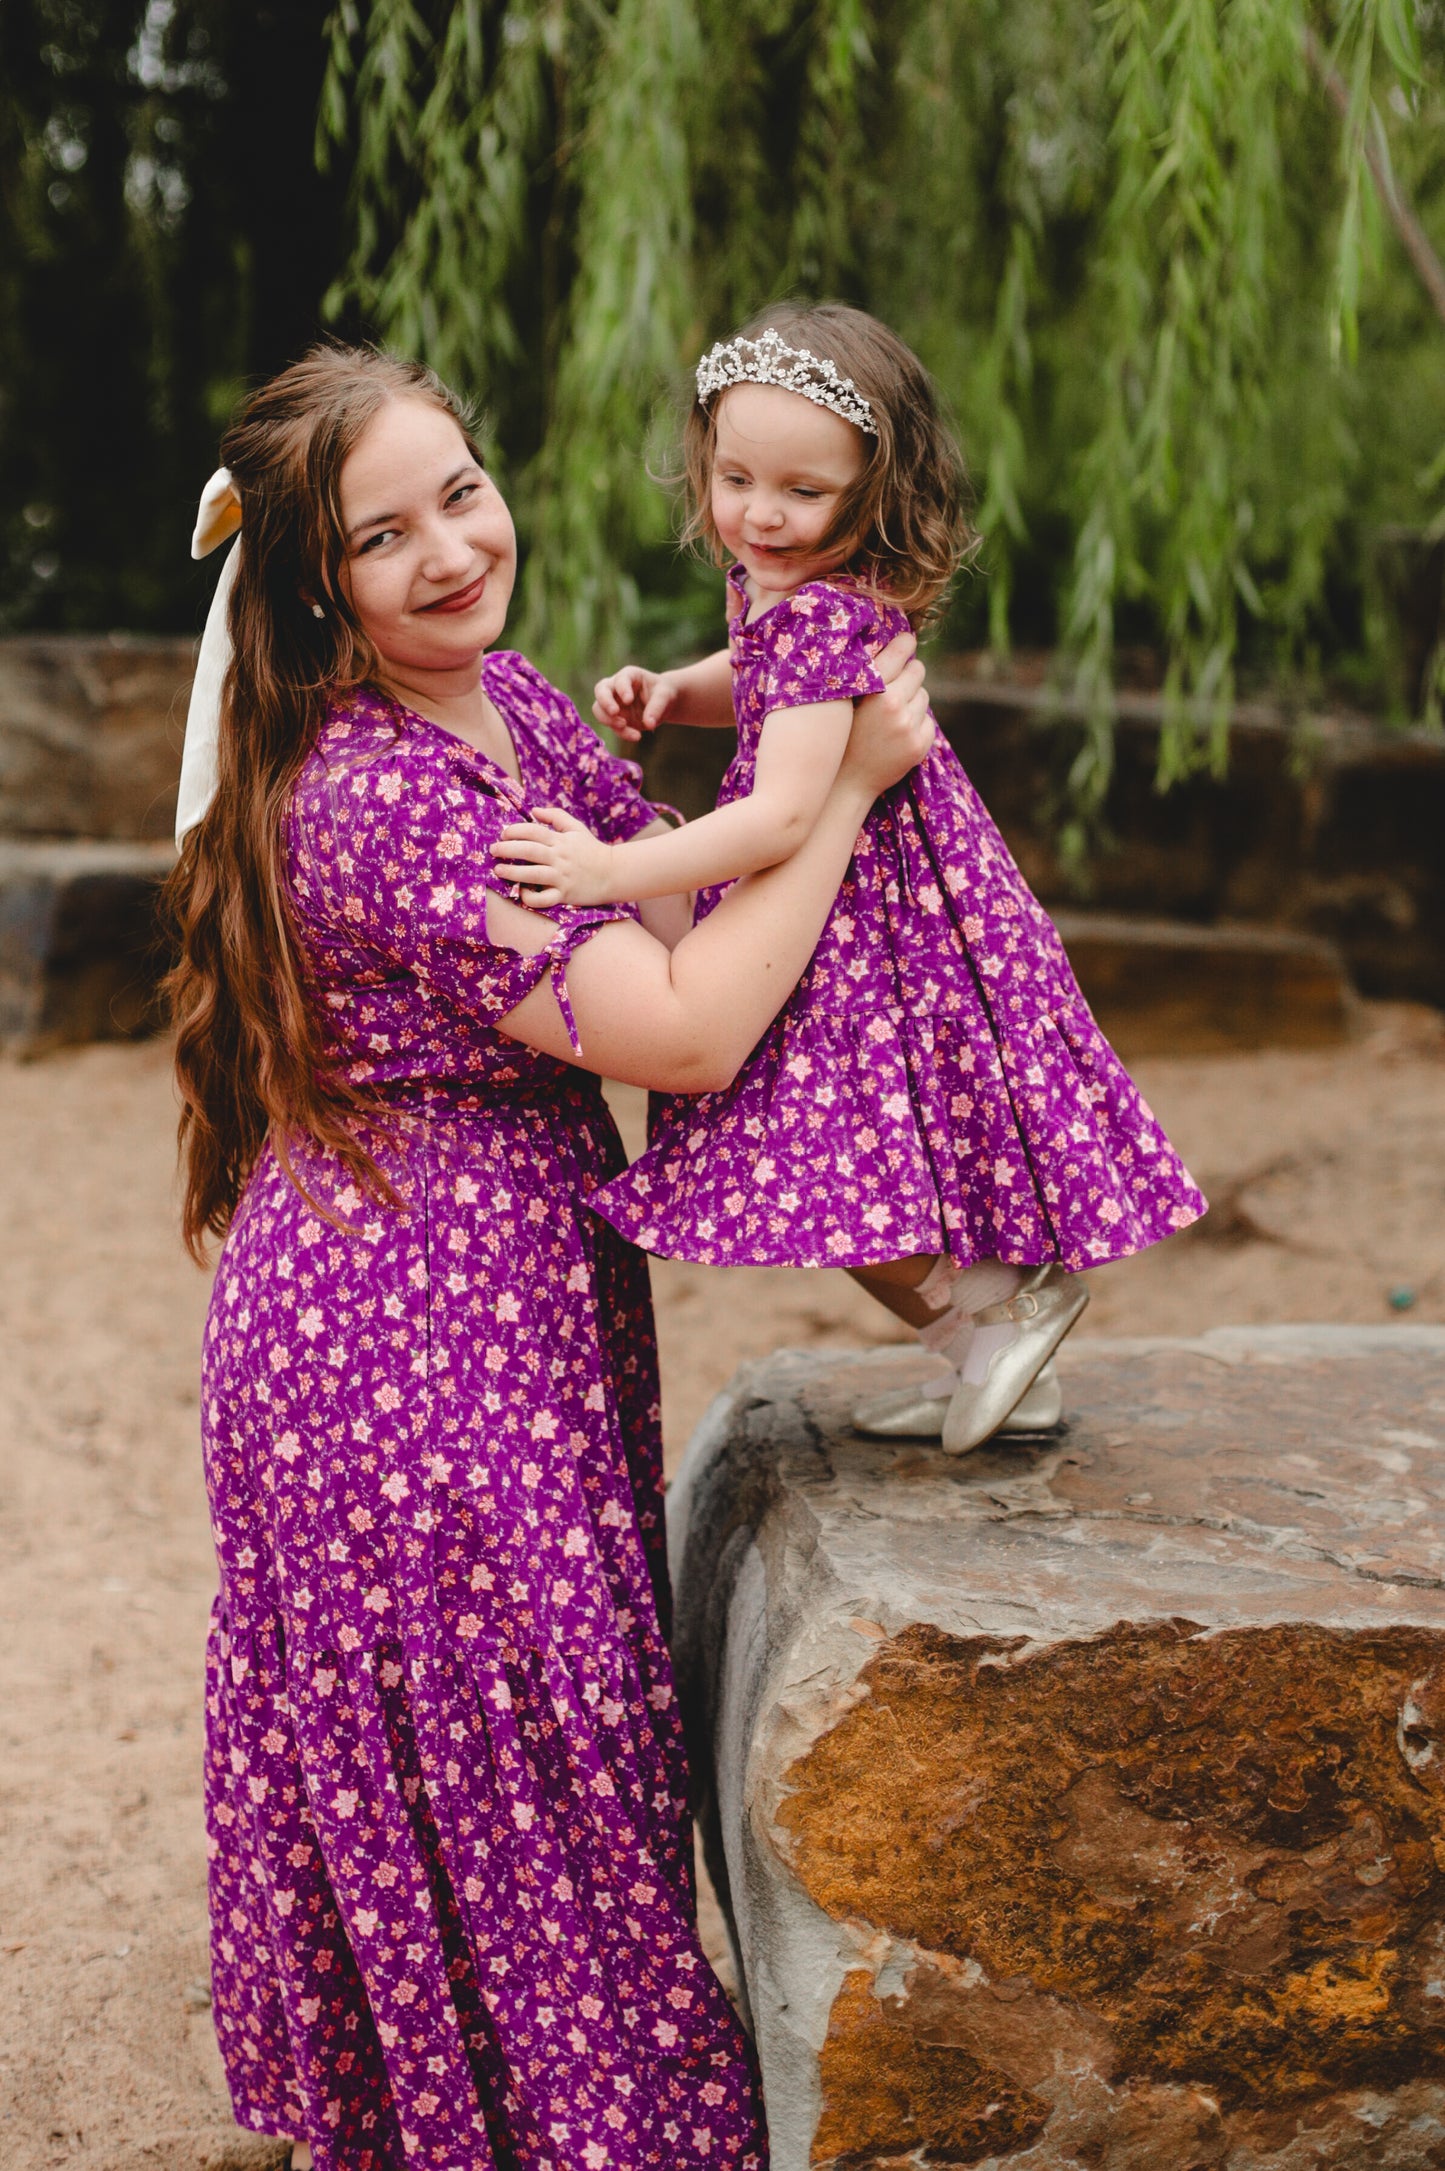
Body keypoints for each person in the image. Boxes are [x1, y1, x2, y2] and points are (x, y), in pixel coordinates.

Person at [164, 343, 932, 2171]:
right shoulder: (376, 801)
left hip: (495, 1296)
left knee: (548, 1730)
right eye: (382, 535)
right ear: (312, 591)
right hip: (398, 1339)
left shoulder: (504, 701)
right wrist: (838, 792)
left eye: (464, 490)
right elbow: (677, 1031)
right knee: (525, 1735)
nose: (449, 548)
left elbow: (672, 885)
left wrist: (792, 777)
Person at [494, 303, 1206, 1454]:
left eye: (802, 493)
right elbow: (766, 676)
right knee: (845, 1151)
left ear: (869, 495)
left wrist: (607, 869)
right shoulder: (785, 593)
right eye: (735, 477)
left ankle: (1003, 1311)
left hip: (863, 915)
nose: (760, 515)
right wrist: (680, 689)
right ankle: (991, 1357)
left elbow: (778, 814)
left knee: (807, 1148)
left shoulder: (825, 612)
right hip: (866, 901)